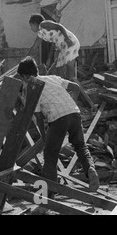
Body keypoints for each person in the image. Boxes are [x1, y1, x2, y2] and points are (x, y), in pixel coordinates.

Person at [16, 56, 100, 194]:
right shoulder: (52, 78)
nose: (23, 81)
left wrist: (44, 137)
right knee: (80, 146)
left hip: (58, 119)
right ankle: (90, 169)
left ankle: (49, 195)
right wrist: (69, 104)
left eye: (22, 78)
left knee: (50, 155)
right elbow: (76, 87)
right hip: (74, 113)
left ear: (25, 76)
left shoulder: (33, 88)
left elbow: (37, 116)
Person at [28, 13, 80, 81]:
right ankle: (64, 87)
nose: (31, 28)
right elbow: (34, 47)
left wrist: (67, 38)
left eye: (31, 25)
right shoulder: (40, 34)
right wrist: (26, 58)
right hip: (62, 47)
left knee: (70, 70)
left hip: (69, 42)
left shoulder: (43, 24)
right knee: (59, 70)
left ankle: (77, 88)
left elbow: (59, 26)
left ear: (35, 23)